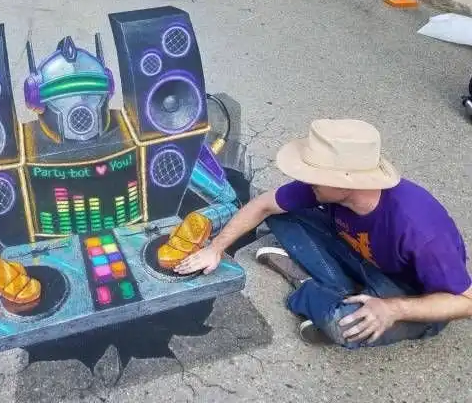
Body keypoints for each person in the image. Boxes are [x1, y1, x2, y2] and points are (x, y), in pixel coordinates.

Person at [175, 119, 472, 348]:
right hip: (360, 256)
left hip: (407, 291)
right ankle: (342, 291)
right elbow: (263, 205)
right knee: (277, 213)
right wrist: (215, 248)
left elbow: (466, 301)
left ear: (347, 181)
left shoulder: (420, 229)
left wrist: (393, 309)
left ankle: (310, 287)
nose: (306, 180)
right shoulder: (329, 190)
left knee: (345, 327)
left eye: (315, 175)